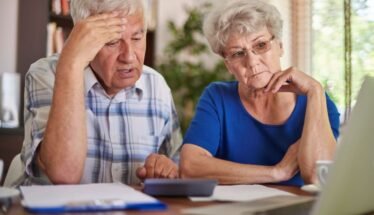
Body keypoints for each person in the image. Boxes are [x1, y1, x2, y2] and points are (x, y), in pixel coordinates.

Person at [16, 0, 182, 186]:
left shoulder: (156, 85)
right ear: (82, 37)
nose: (128, 56)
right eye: (112, 42)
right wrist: (71, 63)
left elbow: (178, 166)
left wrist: (167, 169)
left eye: (136, 38)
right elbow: (63, 174)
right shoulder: (46, 75)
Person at [180, 0, 340, 187]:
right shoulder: (217, 98)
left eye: (261, 45)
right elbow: (190, 168)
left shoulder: (318, 102)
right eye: (238, 53)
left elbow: (316, 178)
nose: (252, 62)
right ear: (228, 64)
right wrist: (277, 172)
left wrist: (315, 90)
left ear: (280, 46)